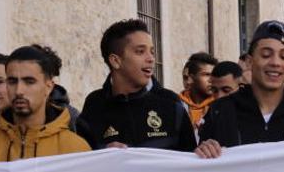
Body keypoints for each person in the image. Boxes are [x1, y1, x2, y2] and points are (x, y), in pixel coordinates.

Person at [194, 20, 284, 158]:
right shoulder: (220, 111)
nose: (275, 63)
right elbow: (200, 169)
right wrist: (204, 150)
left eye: (283, 57)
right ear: (249, 62)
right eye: (266, 55)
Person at [79, 19, 196, 152]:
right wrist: (102, 155)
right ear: (115, 61)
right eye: (140, 52)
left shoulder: (171, 103)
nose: (151, 59)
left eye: (152, 51)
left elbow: (191, 161)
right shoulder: (94, 106)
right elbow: (82, 163)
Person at [0, 46, 90, 162]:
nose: (19, 91)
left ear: (48, 87)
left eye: (29, 82)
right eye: (12, 81)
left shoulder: (75, 149)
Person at [179, 52, 218, 128]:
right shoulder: (176, 105)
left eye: (214, 75)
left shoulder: (219, 107)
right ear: (190, 78)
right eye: (206, 75)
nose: (211, 80)